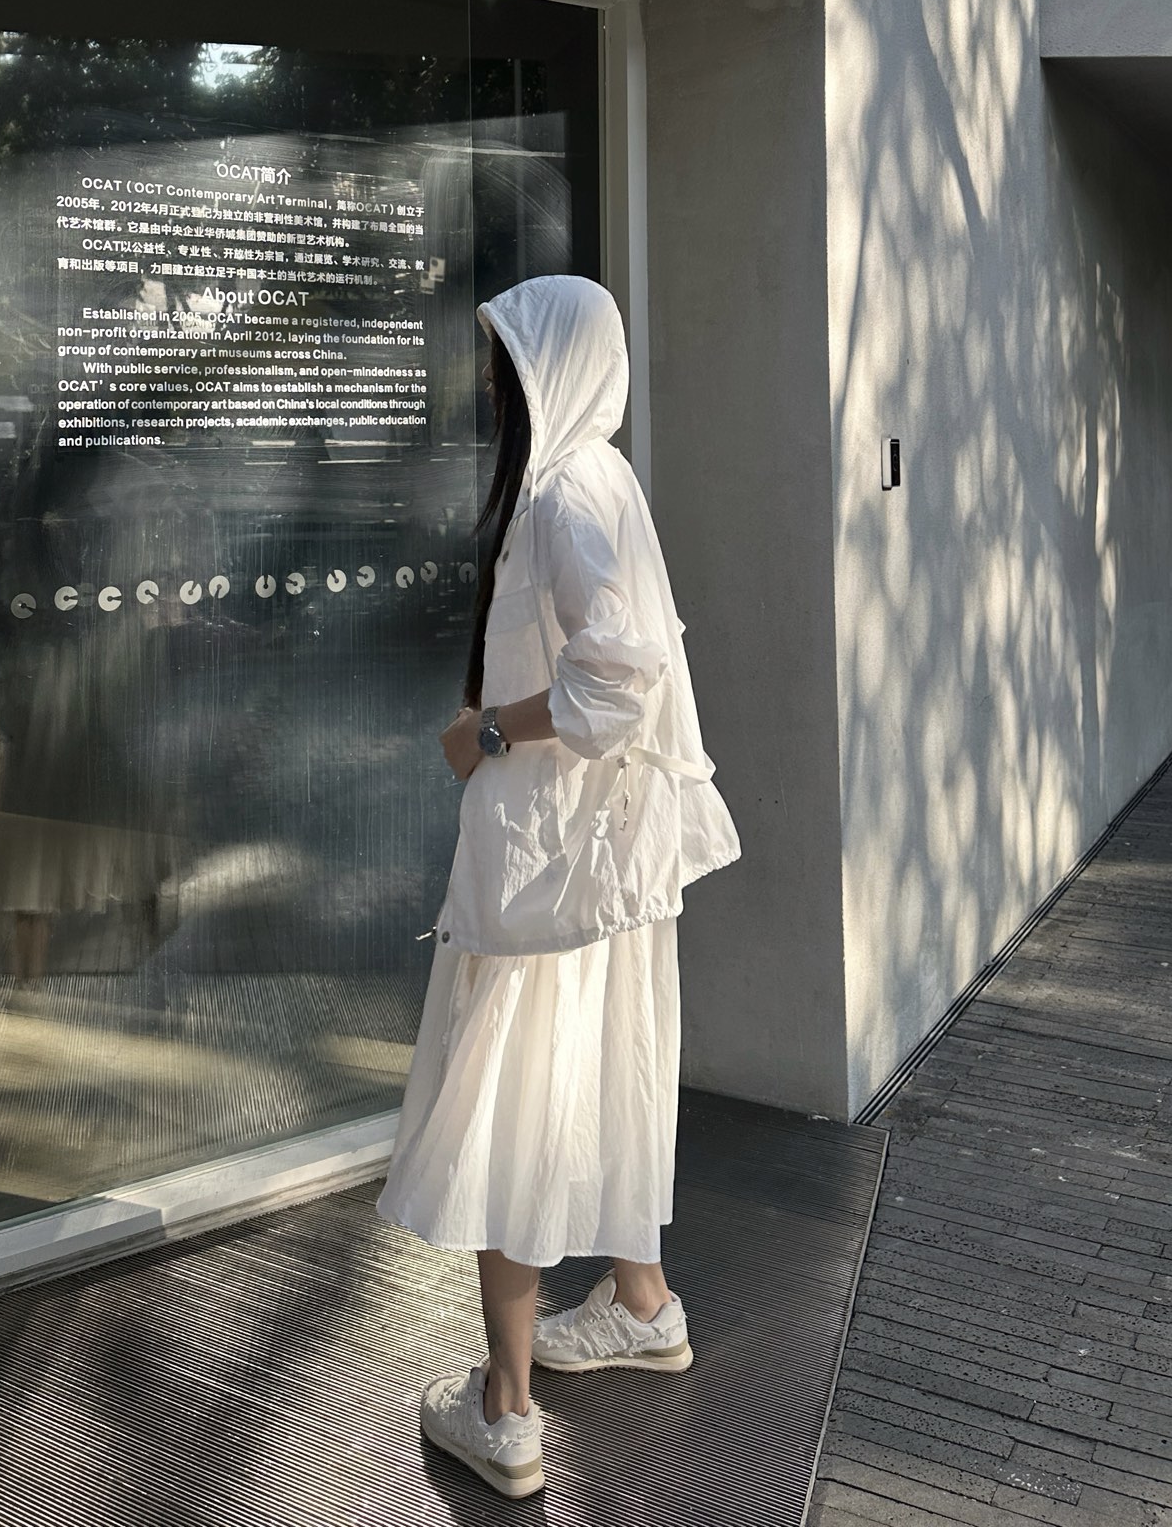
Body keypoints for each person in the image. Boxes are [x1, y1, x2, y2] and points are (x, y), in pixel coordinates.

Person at [376, 274, 741, 1499]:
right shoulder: (604, 478)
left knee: (512, 1107)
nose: (492, 381)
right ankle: (642, 1304)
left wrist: (483, 732)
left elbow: (616, 678)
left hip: (550, 869)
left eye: (507, 356)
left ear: (553, 368)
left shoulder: (567, 490)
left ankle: (507, 1408)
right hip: (608, 865)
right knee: (607, 1071)